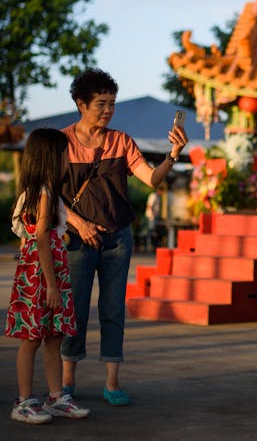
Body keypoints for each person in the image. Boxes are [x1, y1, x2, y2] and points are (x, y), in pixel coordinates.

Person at [60, 69, 188, 406]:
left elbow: (152, 179)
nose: (108, 111)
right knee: (73, 310)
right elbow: (49, 193)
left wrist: (172, 155)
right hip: (76, 240)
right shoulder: (61, 143)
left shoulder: (122, 141)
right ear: (80, 103)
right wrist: (79, 223)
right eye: (101, 104)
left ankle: (112, 382)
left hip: (118, 238)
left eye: (112, 104)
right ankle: (67, 380)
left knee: (113, 308)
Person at [5, 128, 91, 424]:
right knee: (32, 338)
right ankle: (24, 401)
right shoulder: (42, 193)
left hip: (44, 271)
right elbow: (40, 237)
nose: (67, 158)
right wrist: (52, 284)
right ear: (49, 157)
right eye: (63, 153)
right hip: (42, 276)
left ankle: (55, 396)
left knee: (53, 336)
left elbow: (24, 235)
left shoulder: (39, 193)